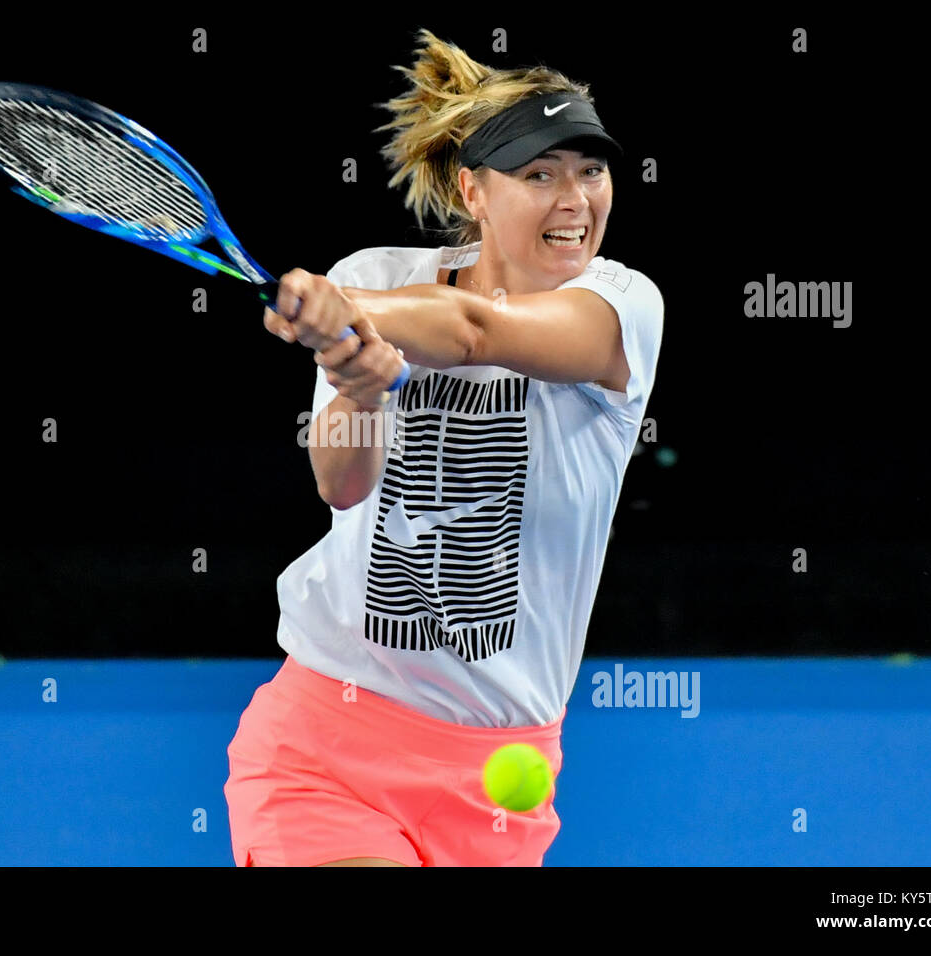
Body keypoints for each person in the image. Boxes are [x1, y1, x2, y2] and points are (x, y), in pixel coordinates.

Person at [224, 28, 663, 866]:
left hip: (502, 767)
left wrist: (346, 309)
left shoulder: (622, 305)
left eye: (591, 170)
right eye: (540, 175)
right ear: (473, 190)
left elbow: (472, 329)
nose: (575, 200)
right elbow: (341, 486)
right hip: (326, 740)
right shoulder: (379, 271)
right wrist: (357, 384)